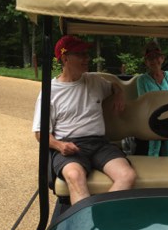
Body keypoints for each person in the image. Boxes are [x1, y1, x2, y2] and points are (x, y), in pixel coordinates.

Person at [32, 35, 136, 205]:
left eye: (86, 54)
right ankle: (88, 221)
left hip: (100, 144)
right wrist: (60, 146)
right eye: (80, 54)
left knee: (127, 175)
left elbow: (114, 86)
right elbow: (39, 133)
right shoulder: (50, 92)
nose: (87, 58)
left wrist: (119, 94)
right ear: (65, 58)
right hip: (70, 146)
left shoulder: (94, 80)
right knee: (75, 176)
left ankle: (98, 219)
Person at [136, 41, 168, 156]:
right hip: (151, 118)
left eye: (157, 57)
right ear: (146, 62)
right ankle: (152, 165)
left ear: (163, 58)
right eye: (150, 58)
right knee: (155, 141)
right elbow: (144, 102)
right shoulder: (141, 80)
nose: (154, 61)